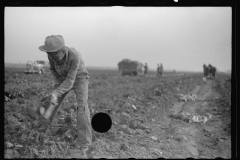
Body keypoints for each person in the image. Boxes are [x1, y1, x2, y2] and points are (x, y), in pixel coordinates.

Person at [38, 35, 95, 157]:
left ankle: (85, 145)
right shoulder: (51, 54)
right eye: (50, 54)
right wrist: (57, 89)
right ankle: (41, 133)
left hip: (80, 78)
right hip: (63, 79)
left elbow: (70, 81)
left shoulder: (75, 56)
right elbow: (53, 70)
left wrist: (56, 92)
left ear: (63, 51)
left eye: (55, 54)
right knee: (51, 103)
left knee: (82, 108)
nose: (52, 57)